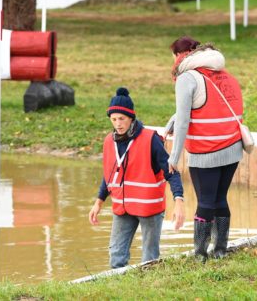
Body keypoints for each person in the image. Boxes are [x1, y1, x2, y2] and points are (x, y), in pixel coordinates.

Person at [165, 36, 244, 261]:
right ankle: (220, 250)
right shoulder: (226, 76)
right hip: (232, 147)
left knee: (205, 202)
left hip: (206, 151)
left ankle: (200, 254)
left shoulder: (187, 78)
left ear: (179, 56)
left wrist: (174, 156)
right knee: (220, 198)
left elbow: (183, 122)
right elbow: (212, 107)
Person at [88, 87, 185, 269]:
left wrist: (179, 200)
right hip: (122, 208)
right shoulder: (109, 141)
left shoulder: (151, 140)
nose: (118, 123)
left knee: (149, 260)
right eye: (114, 119)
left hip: (150, 209)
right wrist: (99, 201)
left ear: (131, 117)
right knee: (116, 257)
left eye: (122, 119)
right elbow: (110, 174)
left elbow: (172, 172)